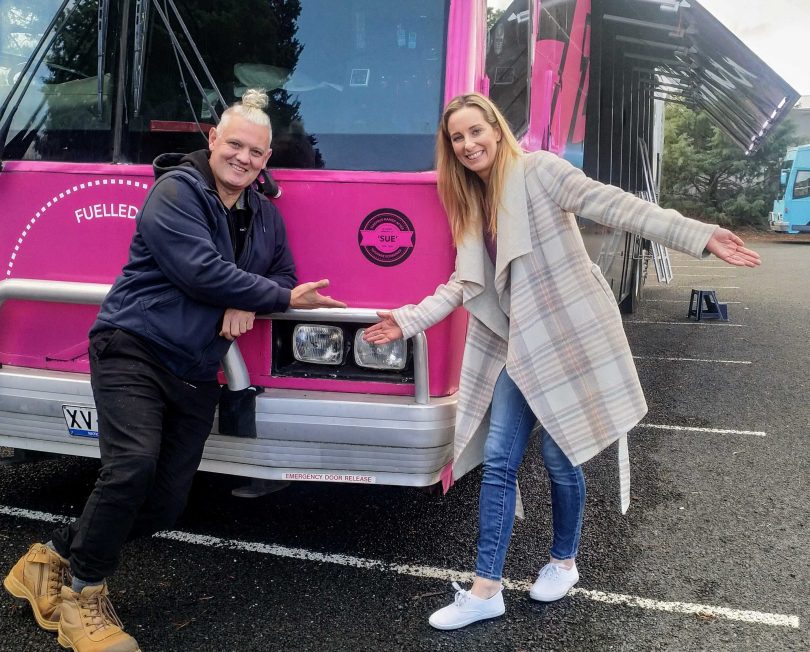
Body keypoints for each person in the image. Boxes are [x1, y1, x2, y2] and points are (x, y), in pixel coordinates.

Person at [363, 92, 760, 630]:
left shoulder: (540, 172)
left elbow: (617, 205)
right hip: (515, 348)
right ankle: (485, 589)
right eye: (457, 138)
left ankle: (564, 561)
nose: (468, 144)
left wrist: (699, 234)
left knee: (560, 456)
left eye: (476, 131)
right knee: (499, 459)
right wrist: (408, 321)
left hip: (566, 339)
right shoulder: (470, 203)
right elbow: (465, 282)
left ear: (497, 130)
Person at [3, 88, 345, 651]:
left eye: (257, 153)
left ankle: (54, 559)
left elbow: (284, 276)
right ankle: (81, 600)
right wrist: (251, 292)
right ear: (212, 139)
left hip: (194, 368)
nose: (244, 158)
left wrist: (251, 298)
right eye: (235, 144)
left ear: (266, 161)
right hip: (133, 347)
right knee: (131, 467)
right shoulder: (175, 192)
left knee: (165, 503)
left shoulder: (265, 217)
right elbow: (199, 271)